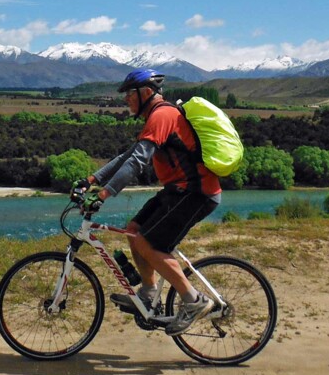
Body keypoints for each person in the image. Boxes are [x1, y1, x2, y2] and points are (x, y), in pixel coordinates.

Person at [73, 68, 221, 336]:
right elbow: (126, 156)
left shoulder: (163, 115)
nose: (126, 99)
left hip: (196, 192)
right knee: (134, 230)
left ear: (145, 93)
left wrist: (104, 194)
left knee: (149, 243)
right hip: (178, 190)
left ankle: (193, 300)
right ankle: (149, 294)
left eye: (130, 93)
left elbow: (137, 162)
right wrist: (91, 178)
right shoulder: (156, 117)